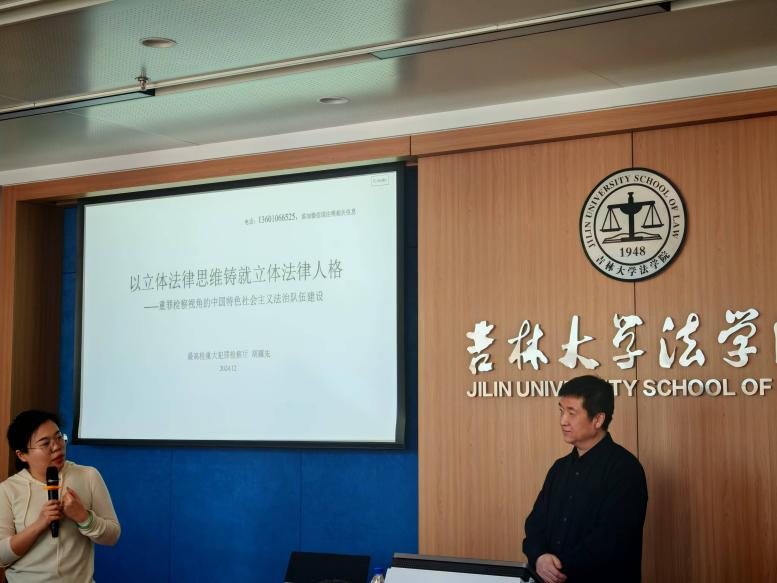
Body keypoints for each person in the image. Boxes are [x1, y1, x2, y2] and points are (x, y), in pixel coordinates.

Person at [523, 375, 647, 583]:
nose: (563, 421)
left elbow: (611, 540)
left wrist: (557, 568)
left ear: (598, 419)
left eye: (572, 413)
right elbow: (535, 524)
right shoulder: (559, 468)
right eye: (561, 411)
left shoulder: (625, 469)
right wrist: (540, 557)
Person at [0, 410, 120, 582]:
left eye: (58, 437)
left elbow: (112, 536)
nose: (57, 447)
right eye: (45, 443)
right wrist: (39, 524)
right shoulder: (7, 490)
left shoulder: (88, 476)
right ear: (22, 455)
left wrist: (84, 517)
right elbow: (1, 557)